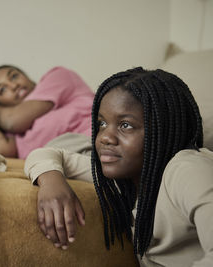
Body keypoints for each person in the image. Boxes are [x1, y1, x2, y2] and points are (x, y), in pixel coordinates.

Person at [24, 67, 213, 266]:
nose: (105, 137)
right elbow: (46, 153)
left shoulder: (187, 170)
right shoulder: (126, 177)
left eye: (125, 125)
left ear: (162, 130)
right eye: (102, 124)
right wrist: (52, 183)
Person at [0, 65, 94, 158]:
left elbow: (13, 121)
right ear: (0, 103)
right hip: (61, 165)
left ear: (28, 77)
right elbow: (0, 151)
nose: (13, 86)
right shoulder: (10, 129)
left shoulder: (58, 76)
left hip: (95, 142)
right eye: (2, 90)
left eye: (14, 76)